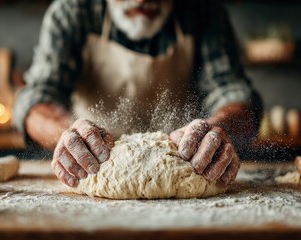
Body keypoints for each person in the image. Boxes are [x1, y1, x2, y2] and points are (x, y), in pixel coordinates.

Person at [13, 0, 263, 188]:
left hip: (185, 164)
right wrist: (68, 136)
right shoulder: (73, 11)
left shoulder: (202, 11)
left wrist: (216, 131)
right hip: (95, 167)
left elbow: (235, 95)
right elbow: (36, 99)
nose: (142, 1)